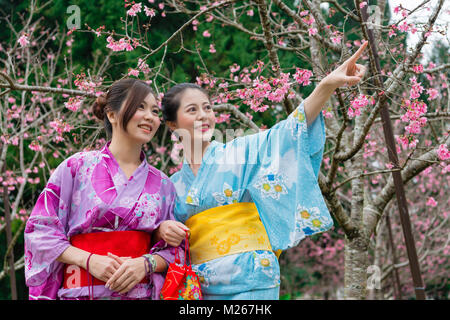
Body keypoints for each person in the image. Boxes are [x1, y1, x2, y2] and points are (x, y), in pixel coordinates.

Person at [158, 42, 368, 299]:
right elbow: (160, 234)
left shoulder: (240, 152)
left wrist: (326, 85)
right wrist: (163, 229)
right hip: (200, 286)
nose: (204, 115)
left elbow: (288, 133)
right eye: (192, 110)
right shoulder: (171, 184)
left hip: (251, 277)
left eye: (208, 107)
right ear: (172, 124)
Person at [24, 78, 178, 300]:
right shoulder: (76, 167)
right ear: (112, 114)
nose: (150, 117)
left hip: (140, 294)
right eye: (140, 107)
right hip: (81, 292)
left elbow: (176, 250)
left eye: (155, 111)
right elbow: (39, 231)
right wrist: (88, 260)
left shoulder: (164, 184)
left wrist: (146, 263)